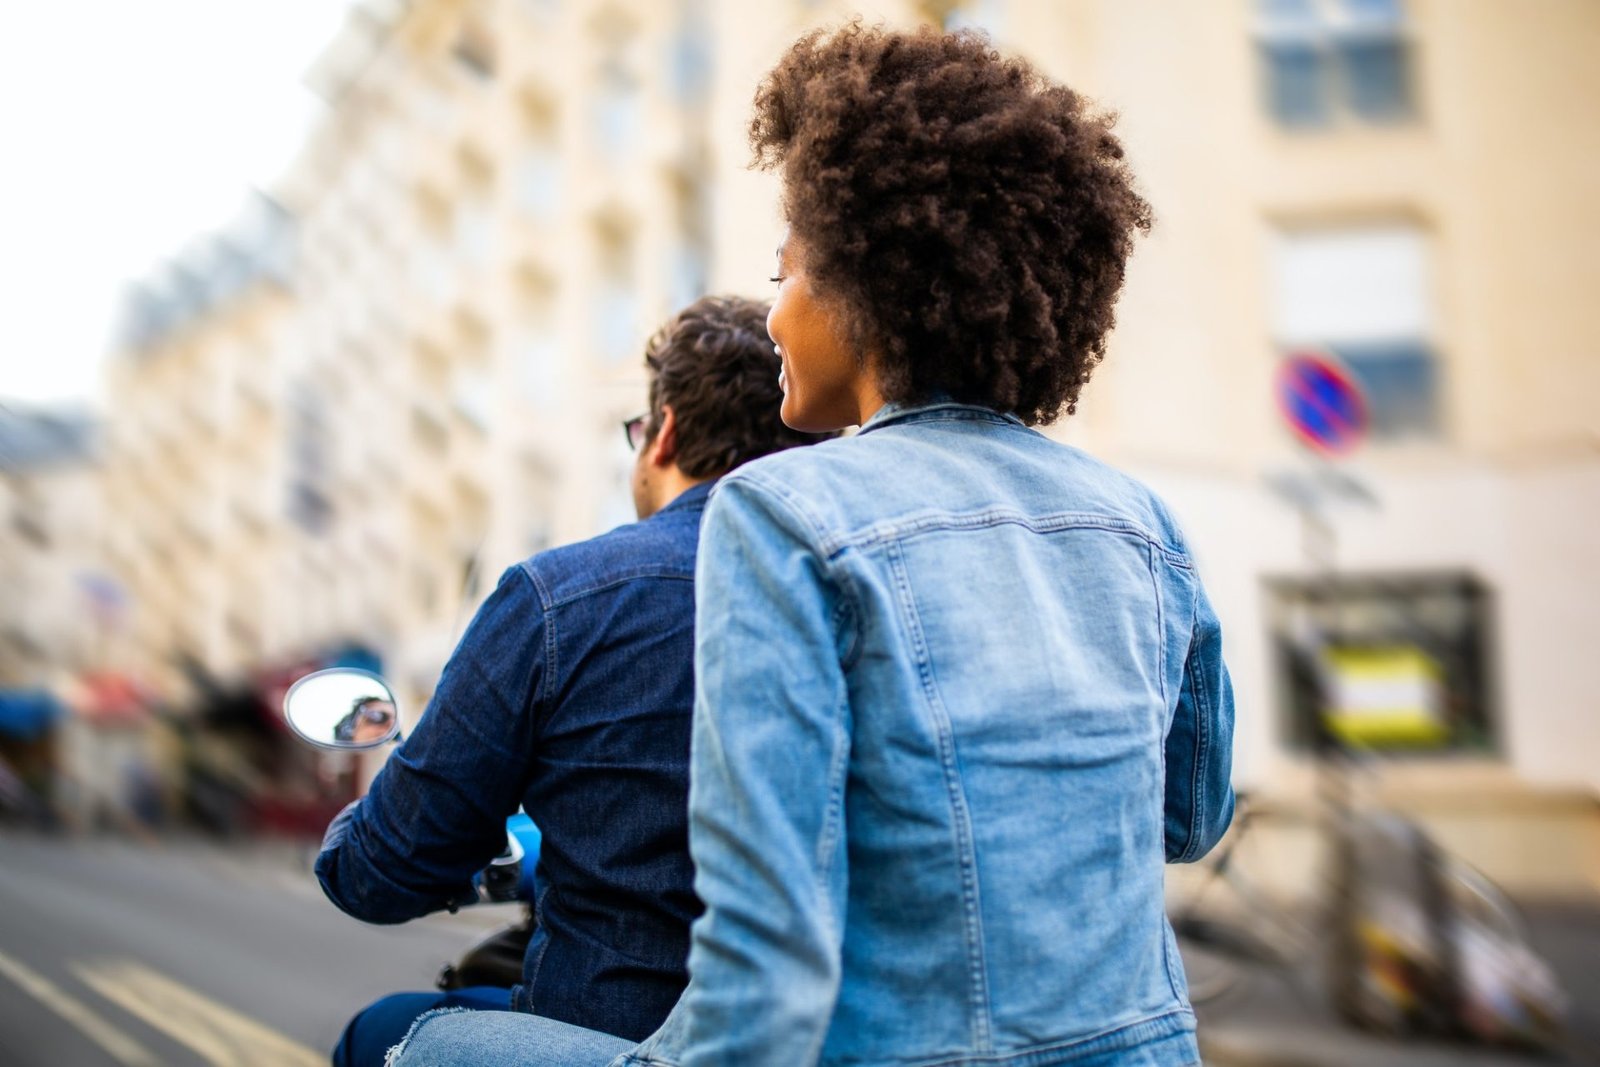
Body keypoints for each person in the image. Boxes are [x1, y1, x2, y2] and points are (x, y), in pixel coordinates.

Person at [391, 22, 1235, 1067]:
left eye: (785, 273)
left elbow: (765, 978)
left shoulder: (783, 516)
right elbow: (1187, 819)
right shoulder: (1141, 522)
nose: (776, 314)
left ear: (865, 286)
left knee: (425, 1041)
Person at [317, 295, 833, 1066]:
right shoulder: (862, 593)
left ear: (663, 434)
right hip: (818, 1043)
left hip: (601, 1039)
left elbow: (378, 871)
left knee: (376, 1032)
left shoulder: (560, 599)